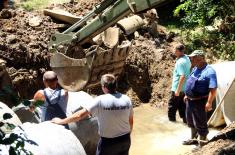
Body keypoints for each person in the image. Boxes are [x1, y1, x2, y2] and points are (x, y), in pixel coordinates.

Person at [52, 74, 134, 155]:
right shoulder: (127, 99)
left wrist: (61, 121)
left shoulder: (100, 100)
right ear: (115, 85)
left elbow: (79, 116)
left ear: (104, 87)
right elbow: (131, 121)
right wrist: (126, 136)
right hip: (125, 140)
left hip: (108, 143)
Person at [183, 50, 217, 147]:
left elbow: (213, 89)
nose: (191, 59)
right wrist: (187, 95)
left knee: (201, 123)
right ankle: (193, 139)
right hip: (190, 101)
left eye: (193, 58)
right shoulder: (195, 68)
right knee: (190, 121)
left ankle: (202, 143)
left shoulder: (209, 71)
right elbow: (190, 82)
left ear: (200, 58)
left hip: (200, 102)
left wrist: (209, 102)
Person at [168, 44, 191, 123]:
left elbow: (182, 76)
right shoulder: (186, 58)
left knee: (172, 107)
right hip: (184, 88)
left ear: (178, 51)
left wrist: (177, 90)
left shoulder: (180, 62)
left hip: (178, 88)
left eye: (175, 50)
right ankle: (186, 122)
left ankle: (171, 123)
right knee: (182, 106)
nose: (173, 51)